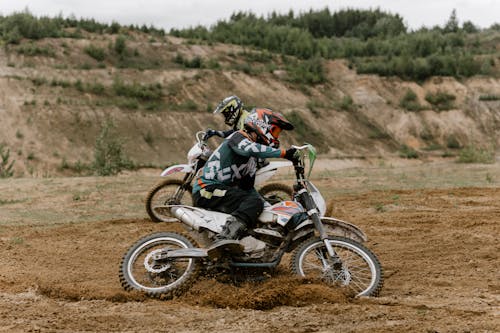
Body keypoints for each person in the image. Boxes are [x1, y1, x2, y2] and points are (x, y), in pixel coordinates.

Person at [192, 109, 298, 249]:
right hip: (207, 189)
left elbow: (247, 188)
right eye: (275, 131)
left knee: (256, 206)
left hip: (221, 192)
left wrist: (269, 208)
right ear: (262, 125)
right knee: (252, 203)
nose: (276, 136)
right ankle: (225, 238)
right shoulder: (238, 137)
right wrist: (284, 153)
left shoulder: (252, 160)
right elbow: (249, 149)